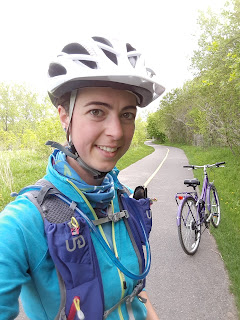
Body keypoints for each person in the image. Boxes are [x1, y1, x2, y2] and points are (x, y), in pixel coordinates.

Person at [0, 36, 165, 320]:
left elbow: (136, 290)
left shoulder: (121, 196)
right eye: (97, 111)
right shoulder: (23, 222)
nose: (116, 131)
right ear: (65, 116)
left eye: (127, 114)